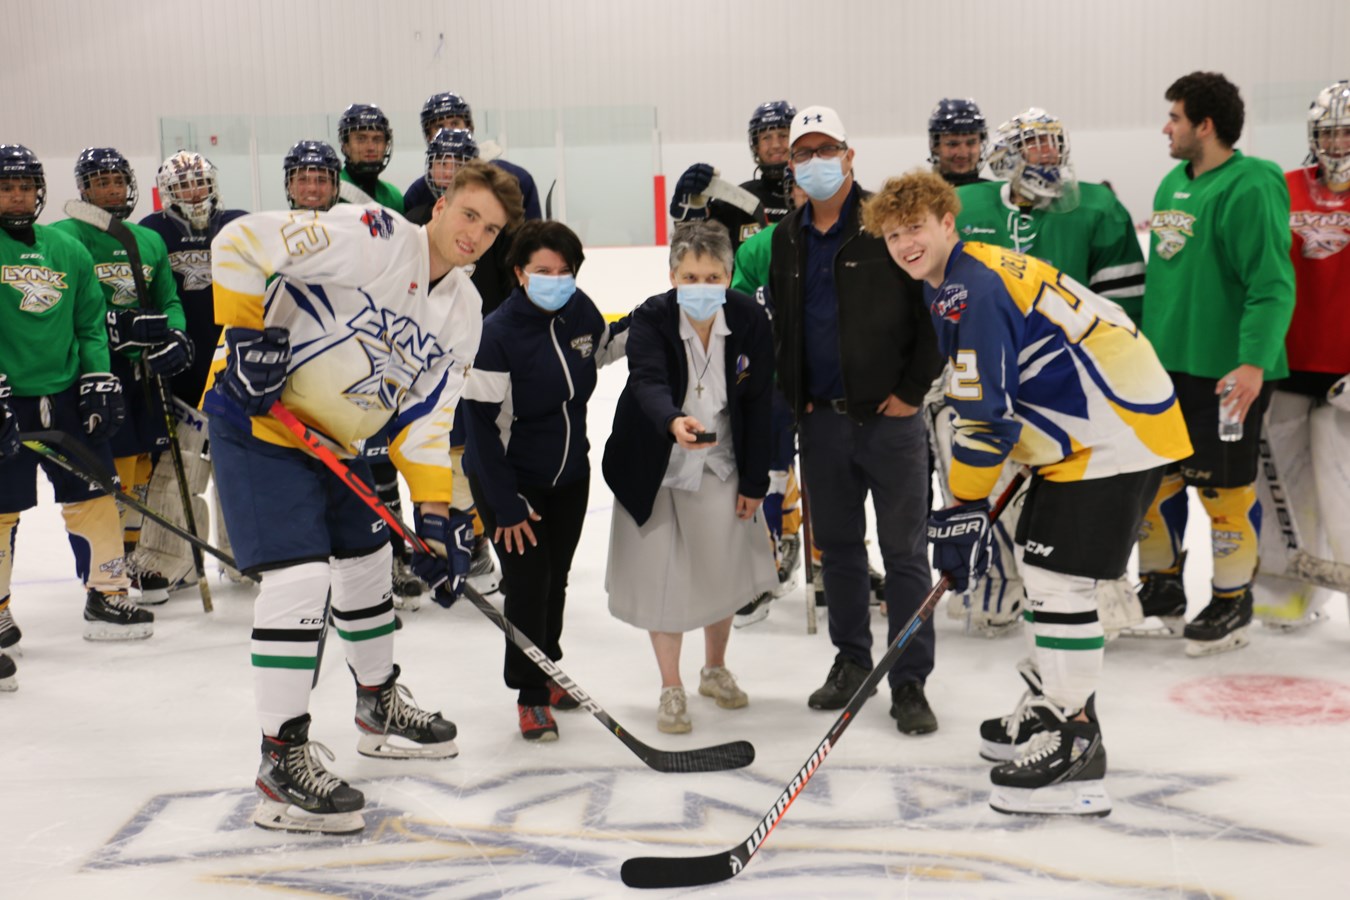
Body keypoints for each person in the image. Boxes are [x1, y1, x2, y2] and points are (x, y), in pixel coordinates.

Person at [205, 160, 525, 834]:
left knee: (368, 562)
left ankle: (377, 702)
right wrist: (242, 338)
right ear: (440, 207)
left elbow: (427, 423)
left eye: (491, 229)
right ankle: (280, 756)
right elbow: (238, 244)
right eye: (469, 215)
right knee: (299, 578)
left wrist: (435, 521)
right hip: (261, 423)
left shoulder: (466, 311)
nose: (476, 234)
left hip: (341, 446)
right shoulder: (374, 236)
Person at [863, 169, 1190, 816]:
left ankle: (1076, 736)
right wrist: (973, 505)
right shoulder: (959, 277)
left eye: (916, 228)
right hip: (1089, 430)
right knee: (1046, 573)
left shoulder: (969, 288)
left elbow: (986, 419)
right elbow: (1000, 399)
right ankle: (1053, 707)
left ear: (948, 221)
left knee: (1056, 579)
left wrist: (962, 508)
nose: (905, 243)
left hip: (1111, 434)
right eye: (893, 234)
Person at [767, 106, 943, 735]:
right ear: (790, 164)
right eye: (802, 153)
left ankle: (909, 679)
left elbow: (931, 313)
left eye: (826, 149)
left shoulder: (887, 226)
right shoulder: (786, 237)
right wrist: (796, 397)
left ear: (849, 154)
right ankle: (850, 662)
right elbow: (786, 326)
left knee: (904, 554)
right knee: (837, 551)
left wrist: (910, 391)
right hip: (822, 424)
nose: (815, 162)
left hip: (891, 423)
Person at [939, 109, 1146, 637]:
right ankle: (994, 588)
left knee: (1076, 491)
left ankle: (1101, 589)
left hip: (1071, 380)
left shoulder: (1098, 207)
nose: (1047, 155)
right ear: (1006, 156)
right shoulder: (967, 205)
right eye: (1034, 145)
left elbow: (1124, 306)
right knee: (980, 474)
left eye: (1054, 144)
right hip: (990, 371)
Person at [1122, 72, 1296, 656]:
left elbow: (1271, 285)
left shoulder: (1253, 184)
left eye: (1174, 117)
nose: (1165, 128)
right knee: (1156, 484)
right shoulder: (1174, 181)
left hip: (1227, 375)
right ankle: (1162, 588)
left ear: (1206, 125)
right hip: (1166, 369)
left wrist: (1252, 364)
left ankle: (1231, 602)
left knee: (1223, 493)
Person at [603, 221, 776, 734]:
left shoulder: (749, 319)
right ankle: (670, 686)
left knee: (719, 570)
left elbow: (760, 401)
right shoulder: (653, 318)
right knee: (662, 577)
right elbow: (647, 381)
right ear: (672, 274)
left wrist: (755, 483)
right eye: (690, 276)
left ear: (728, 276)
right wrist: (671, 421)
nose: (701, 287)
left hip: (720, 460)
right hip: (654, 461)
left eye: (713, 276)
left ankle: (715, 669)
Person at [462, 220, 628, 741]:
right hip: (512, 482)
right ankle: (531, 694)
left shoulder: (578, 309)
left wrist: (663, 314)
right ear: (519, 273)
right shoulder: (497, 333)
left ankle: (548, 670)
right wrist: (504, 503)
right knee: (529, 586)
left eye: (564, 271)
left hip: (569, 475)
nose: (555, 280)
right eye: (543, 272)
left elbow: (601, 348)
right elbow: (480, 428)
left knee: (554, 579)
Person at [0, 144, 148, 677]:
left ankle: (106, 592)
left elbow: (90, 323)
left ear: (39, 190)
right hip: (5, 396)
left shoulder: (67, 250)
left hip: (65, 396)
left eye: (25, 186)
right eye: (6, 186)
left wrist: (97, 378)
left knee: (94, 494)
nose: (17, 195)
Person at [51, 147, 193, 605]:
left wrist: (174, 333)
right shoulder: (64, 238)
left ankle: (127, 560)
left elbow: (168, 298)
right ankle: (100, 568)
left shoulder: (146, 239)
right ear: (83, 190)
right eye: (99, 182)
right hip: (92, 373)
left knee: (138, 475)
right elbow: (67, 309)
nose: (110, 190)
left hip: (141, 375)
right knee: (100, 477)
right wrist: (115, 326)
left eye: (116, 181)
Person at [1252, 80, 1350, 629]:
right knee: (1281, 487)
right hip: (1287, 365)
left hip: (1346, 369)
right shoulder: (1283, 187)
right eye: (1328, 131)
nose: (1337, 143)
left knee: (1344, 491)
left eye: (1346, 131)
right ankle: (1284, 593)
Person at [134, 150, 249, 594]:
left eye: (198, 182)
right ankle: (169, 560)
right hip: (181, 374)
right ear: (168, 192)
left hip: (235, 372)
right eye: (182, 186)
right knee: (174, 474)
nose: (193, 192)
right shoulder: (153, 231)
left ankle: (245, 558)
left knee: (239, 473)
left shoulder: (238, 223)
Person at [669, 100, 796, 252]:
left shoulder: (813, 198)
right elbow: (694, 250)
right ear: (755, 145)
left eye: (783, 135)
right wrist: (688, 215)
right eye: (766, 138)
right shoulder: (737, 203)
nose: (775, 145)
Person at [403, 91, 542, 221]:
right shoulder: (417, 195)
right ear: (428, 137)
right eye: (439, 127)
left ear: (470, 127)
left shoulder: (517, 179)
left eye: (455, 123)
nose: (449, 132)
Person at [337, 103, 403, 213]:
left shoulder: (393, 197)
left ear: (386, 145)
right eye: (361, 139)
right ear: (346, 145)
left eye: (377, 139)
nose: (371, 147)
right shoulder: (329, 190)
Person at [928, 98, 989, 186]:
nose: (962, 154)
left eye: (971, 143)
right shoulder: (919, 196)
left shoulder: (998, 195)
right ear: (935, 146)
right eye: (952, 144)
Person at [283, 140, 341, 212]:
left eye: (321, 180)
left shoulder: (353, 222)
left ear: (334, 188)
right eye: (303, 180)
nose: (312, 189)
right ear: (290, 187)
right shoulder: (271, 222)